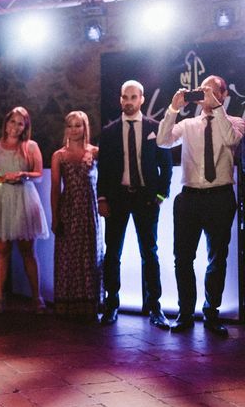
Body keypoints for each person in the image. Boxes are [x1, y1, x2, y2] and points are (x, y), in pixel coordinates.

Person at [157, 75, 244, 337]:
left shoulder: (236, 121)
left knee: (217, 258)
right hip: (189, 198)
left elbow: (230, 139)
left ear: (224, 94)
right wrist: (173, 109)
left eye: (212, 91)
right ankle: (185, 313)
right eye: (202, 91)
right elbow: (163, 140)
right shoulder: (189, 124)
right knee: (183, 259)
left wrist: (216, 107)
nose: (205, 95)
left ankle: (212, 313)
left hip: (220, 196)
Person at [97, 80, 173, 329]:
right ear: (120, 100)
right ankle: (111, 304)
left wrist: (161, 195)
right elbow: (104, 169)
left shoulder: (155, 127)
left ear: (142, 99)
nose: (128, 102)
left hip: (146, 198)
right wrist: (102, 198)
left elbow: (166, 164)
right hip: (117, 197)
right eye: (124, 97)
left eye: (133, 97)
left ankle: (155, 307)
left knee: (149, 252)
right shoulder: (108, 132)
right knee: (113, 253)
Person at [0, 106, 49, 313]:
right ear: (6, 123)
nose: (15, 127)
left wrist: (24, 174)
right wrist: (0, 178)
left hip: (24, 197)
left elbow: (39, 173)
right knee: (2, 249)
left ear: (25, 127)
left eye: (20, 123)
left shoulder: (31, 147)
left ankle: (36, 297)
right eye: (13, 121)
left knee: (27, 250)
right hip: (3, 198)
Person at [51, 111, 103, 321]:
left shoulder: (96, 152)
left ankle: (90, 304)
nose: (74, 129)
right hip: (69, 208)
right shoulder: (59, 155)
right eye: (70, 125)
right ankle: (66, 303)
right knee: (68, 256)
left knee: (89, 255)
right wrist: (54, 216)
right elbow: (55, 188)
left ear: (85, 128)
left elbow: (104, 181)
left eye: (78, 125)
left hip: (89, 211)